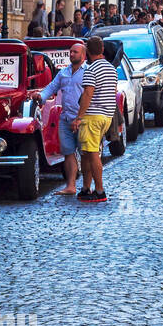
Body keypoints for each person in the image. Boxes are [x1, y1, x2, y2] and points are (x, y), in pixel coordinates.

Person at [71, 36, 118, 204]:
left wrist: (79, 117)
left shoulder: (91, 70)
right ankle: (85, 188)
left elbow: (88, 94)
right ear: (102, 49)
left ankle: (99, 190)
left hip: (93, 116)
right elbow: (113, 92)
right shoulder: (111, 68)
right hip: (106, 115)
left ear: (87, 52)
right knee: (87, 153)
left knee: (92, 154)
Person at [38, 40, 87, 194]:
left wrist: (82, 117)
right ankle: (71, 186)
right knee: (68, 153)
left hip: (83, 119)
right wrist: (40, 96)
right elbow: (52, 87)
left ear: (83, 55)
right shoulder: (64, 72)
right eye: (70, 52)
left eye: (75, 52)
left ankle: (87, 186)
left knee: (86, 153)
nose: (71, 54)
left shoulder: (88, 72)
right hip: (65, 118)